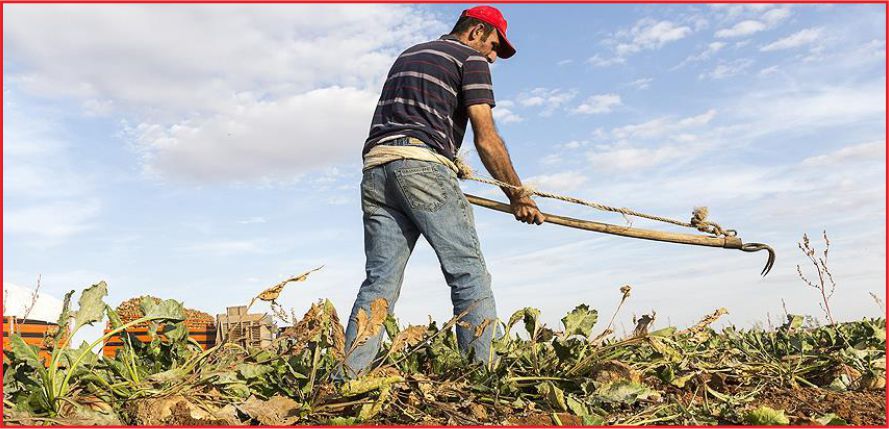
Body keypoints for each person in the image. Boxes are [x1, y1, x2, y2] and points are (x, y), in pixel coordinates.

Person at [341, 5, 545, 378]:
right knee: (469, 273)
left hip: (376, 169)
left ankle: (345, 379)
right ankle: (481, 379)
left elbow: (414, 118)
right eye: (495, 45)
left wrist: (447, 159)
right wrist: (518, 195)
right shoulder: (470, 58)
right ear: (476, 32)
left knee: (379, 283)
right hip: (421, 166)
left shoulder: (410, 54)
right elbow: (486, 135)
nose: (494, 57)